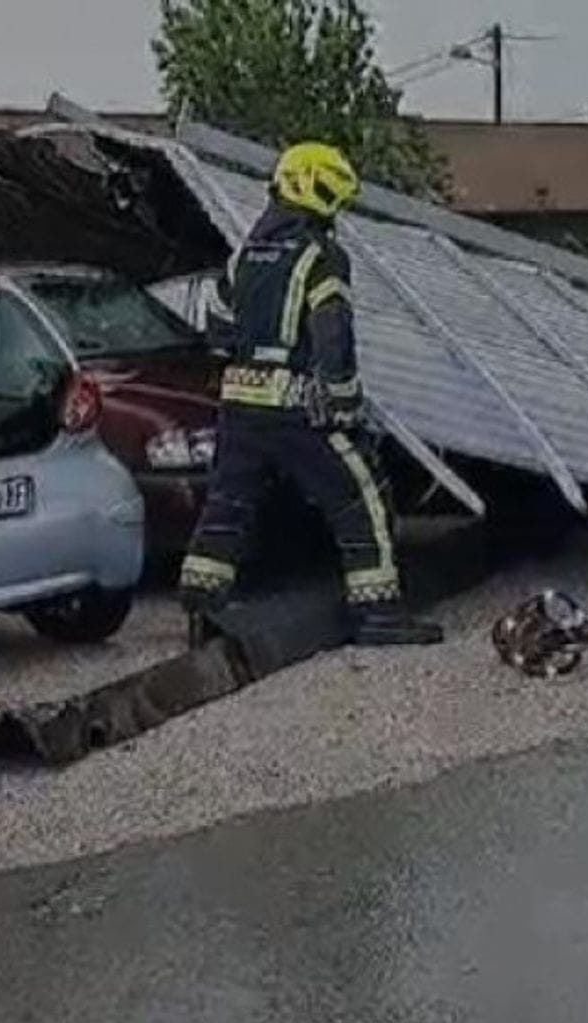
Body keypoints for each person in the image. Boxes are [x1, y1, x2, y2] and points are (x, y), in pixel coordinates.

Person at [178, 142, 443, 647]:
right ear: (314, 189)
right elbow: (332, 334)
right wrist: (342, 401)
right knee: (361, 497)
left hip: (239, 406)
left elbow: (218, 327)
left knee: (227, 504)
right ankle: (379, 614)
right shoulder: (321, 256)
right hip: (296, 409)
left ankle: (201, 616)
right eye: (333, 197)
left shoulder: (245, 255)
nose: (337, 210)